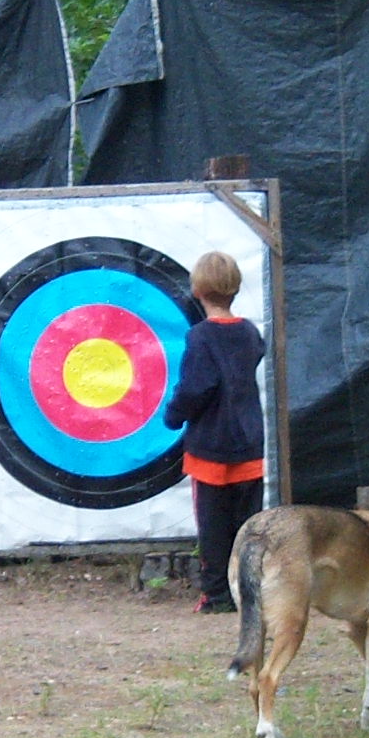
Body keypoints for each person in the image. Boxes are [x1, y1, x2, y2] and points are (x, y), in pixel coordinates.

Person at [163, 251, 266, 612]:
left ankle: (217, 596)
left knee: (213, 527)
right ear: (234, 288)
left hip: (210, 449)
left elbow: (197, 387)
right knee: (247, 527)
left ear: (198, 290)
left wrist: (173, 415)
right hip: (249, 445)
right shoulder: (249, 332)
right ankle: (248, 593)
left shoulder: (201, 337)